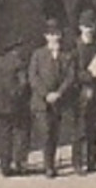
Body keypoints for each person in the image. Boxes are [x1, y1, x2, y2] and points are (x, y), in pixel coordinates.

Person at [27, 19, 78, 179]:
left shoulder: (66, 55)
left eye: (56, 34)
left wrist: (59, 93)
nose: (54, 38)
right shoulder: (38, 54)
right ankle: (48, 166)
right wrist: (46, 94)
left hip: (58, 101)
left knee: (55, 133)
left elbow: (70, 76)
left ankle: (51, 163)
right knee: (46, 132)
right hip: (42, 102)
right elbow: (33, 77)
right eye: (50, 34)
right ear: (45, 36)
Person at [72, 11, 96, 175]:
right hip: (79, 92)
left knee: (93, 128)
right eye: (86, 26)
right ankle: (78, 162)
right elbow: (72, 72)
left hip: (95, 90)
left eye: (91, 26)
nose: (89, 30)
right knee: (79, 128)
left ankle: (92, 161)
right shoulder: (75, 47)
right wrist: (89, 75)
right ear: (80, 28)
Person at [0, 39, 30, 176]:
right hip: (17, 106)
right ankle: (19, 163)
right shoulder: (20, 64)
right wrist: (22, 98)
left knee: (4, 136)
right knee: (20, 133)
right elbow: (23, 84)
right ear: (16, 49)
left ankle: (5, 166)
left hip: (0, 106)